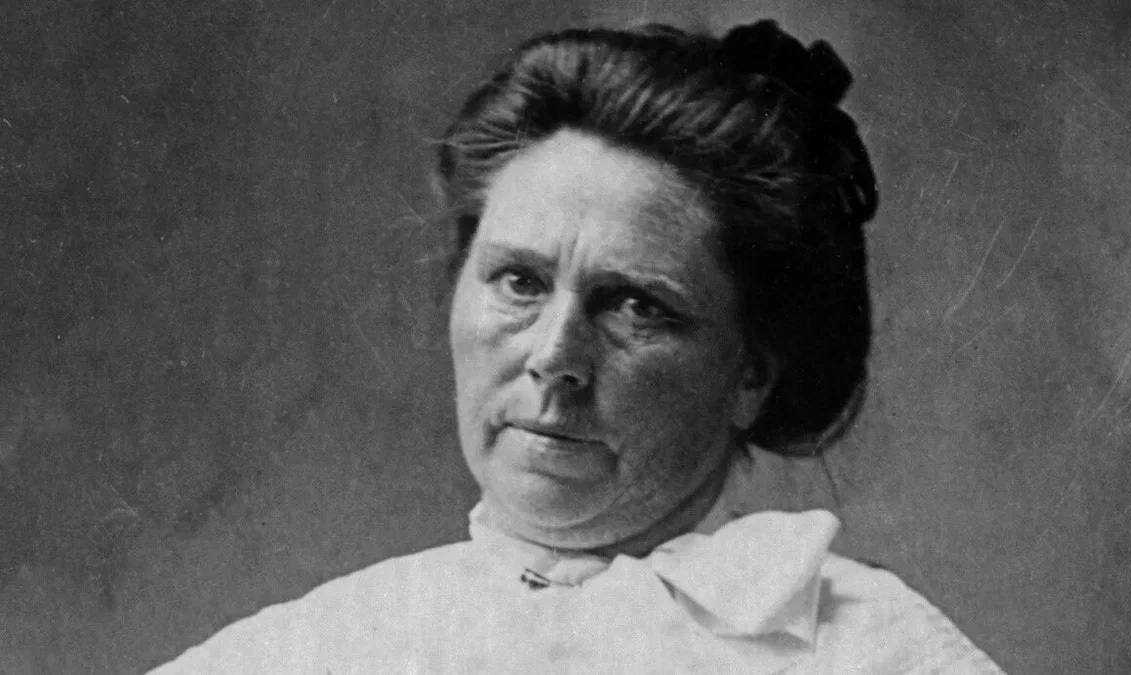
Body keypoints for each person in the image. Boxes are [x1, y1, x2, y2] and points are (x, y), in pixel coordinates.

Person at [152, 20, 1004, 673]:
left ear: (750, 370)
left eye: (634, 305)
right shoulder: (312, 647)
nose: (555, 355)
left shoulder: (874, 651)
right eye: (519, 281)